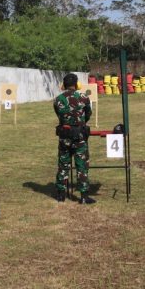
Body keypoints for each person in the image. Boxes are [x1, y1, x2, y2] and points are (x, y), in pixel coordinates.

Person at [54, 73, 92, 204]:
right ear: (76, 84)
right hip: (79, 137)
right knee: (81, 166)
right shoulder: (84, 97)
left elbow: (59, 115)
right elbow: (88, 114)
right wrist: (80, 122)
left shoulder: (58, 99)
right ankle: (83, 196)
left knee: (63, 165)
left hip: (64, 137)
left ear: (63, 85)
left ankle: (61, 195)